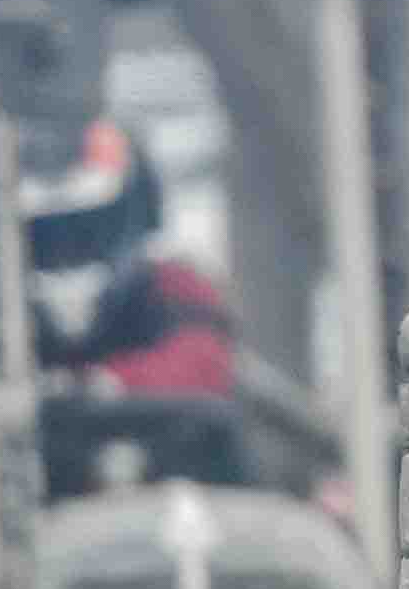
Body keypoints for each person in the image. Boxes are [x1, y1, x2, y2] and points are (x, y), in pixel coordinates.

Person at [19, 123, 250, 496]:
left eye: (89, 230)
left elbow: (204, 360)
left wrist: (102, 385)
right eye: (45, 236)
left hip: (175, 504)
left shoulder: (174, 285)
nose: (66, 251)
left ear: (139, 217)